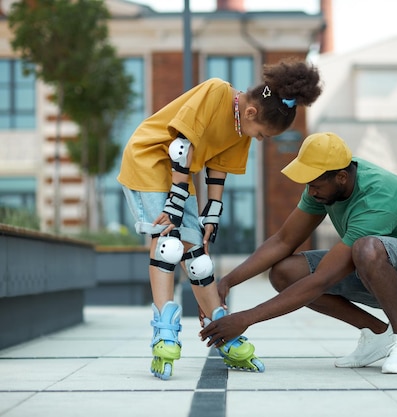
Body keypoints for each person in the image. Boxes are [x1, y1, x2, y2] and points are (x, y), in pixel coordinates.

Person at [117, 58, 322, 379]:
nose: (258, 139)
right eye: (262, 134)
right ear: (252, 112)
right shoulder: (216, 92)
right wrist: (174, 203)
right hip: (149, 158)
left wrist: (211, 213)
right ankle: (164, 332)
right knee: (168, 245)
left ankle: (219, 327)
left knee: (198, 258)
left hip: (180, 176)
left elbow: (218, 168)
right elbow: (181, 147)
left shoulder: (242, 124)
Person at [200, 132, 397, 374]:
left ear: (341, 178)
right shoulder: (327, 186)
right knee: (285, 273)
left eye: (315, 185)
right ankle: (379, 335)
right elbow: (283, 240)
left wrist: (246, 318)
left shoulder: (379, 195)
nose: (310, 191)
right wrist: (227, 282)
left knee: (366, 249)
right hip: (382, 270)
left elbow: (322, 279)